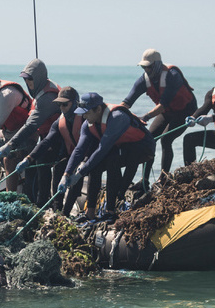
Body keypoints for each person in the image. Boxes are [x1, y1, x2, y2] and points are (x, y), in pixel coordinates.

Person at [59, 92, 155, 221]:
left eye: (86, 112)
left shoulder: (117, 117)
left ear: (98, 109)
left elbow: (102, 149)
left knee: (111, 159)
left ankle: (110, 210)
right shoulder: (88, 124)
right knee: (94, 167)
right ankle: (90, 213)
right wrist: (66, 175)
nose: (84, 116)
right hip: (122, 147)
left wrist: (80, 173)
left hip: (141, 148)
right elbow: (79, 150)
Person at [121, 49, 197, 184]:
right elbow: (127, 102)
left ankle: (164, 178)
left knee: (166, 140)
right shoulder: (143, 80)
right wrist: (115, 113)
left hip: (184, 112)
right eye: (144, 67)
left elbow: (162, 105)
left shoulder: (172, 75)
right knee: (148, 139)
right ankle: (144, 180)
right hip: (167, 112)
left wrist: (145, 117)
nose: (146, 69)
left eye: (149, 66)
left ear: (157, 64)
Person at [15, 86, 86, 216]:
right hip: (70, 154)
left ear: (76, 103)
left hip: (88, 156)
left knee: (78, 174)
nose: (62, 108)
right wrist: (28, 159)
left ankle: (67, 213)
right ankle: (57, 210)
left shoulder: (85, 119)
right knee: (59, 169)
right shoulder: (59, 122)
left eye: (65, 104)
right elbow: (46, 141)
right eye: (59, 104)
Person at [0, 59, 60, 206]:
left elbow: (31, 125)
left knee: (38, 164)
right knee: (31, 163)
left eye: (30, 79)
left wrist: (10, 144)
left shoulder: (47, 98)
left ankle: (40, 205)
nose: (27, 83)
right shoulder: (40, 89)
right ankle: (32, 202)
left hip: (58, 140)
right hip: (46, 139)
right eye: (25, 79)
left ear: (38, 78)